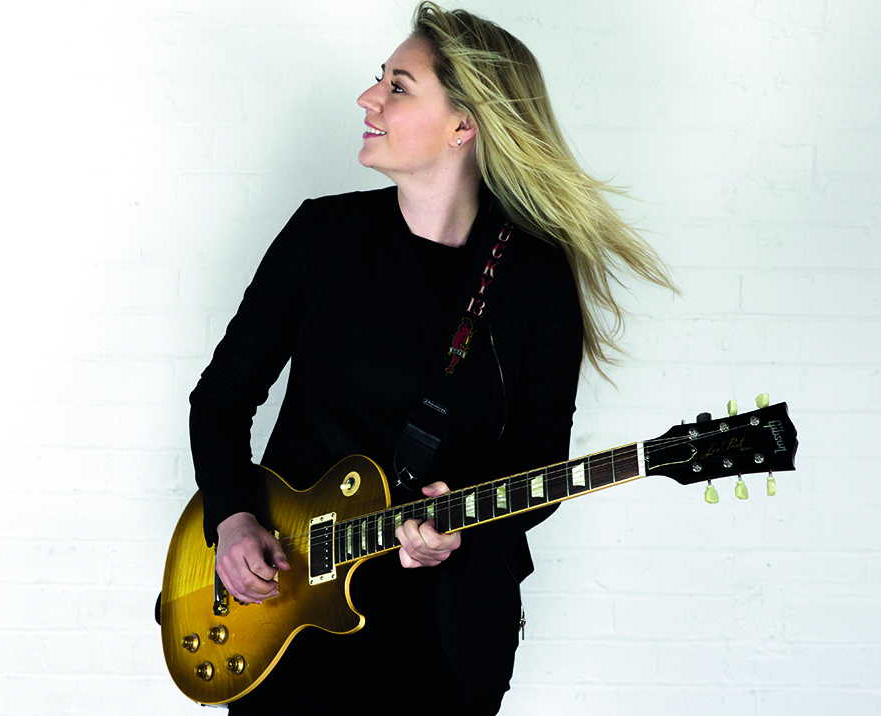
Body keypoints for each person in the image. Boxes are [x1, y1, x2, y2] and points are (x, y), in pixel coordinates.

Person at [187, 3, 674, 713]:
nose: (368, 98)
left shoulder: (534, 277)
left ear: (464, 125)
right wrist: (232, 521)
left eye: (398, 85)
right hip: (290, 620)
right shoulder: (321, 237)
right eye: (378, 80)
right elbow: (223, 398)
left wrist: (457, 531)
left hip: (443, 633)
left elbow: (542, 455)